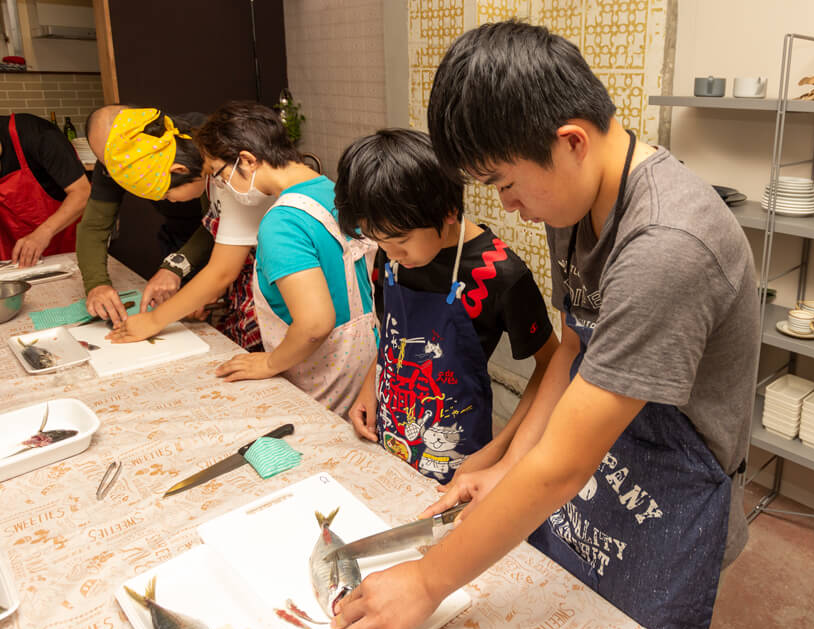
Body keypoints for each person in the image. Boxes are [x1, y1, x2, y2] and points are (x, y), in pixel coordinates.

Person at [332, 21, 759, 629]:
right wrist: (506, 465)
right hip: (596, 450)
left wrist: (426, 581)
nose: (507, 207)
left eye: (505, 183)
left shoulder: (668, 246)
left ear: (570, 143)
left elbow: (562, 465)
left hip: (667, 483)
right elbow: (571, 351)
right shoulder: (576, 204)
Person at [334, 129, 557, 485]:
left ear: (449, 210)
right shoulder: (392, 258)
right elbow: (392, 338)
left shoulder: (500, 273)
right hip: (390, 437)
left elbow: (553, 364)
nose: (390, 254)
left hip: (460, 460)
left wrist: (501, 448)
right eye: (379, 241)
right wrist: (369, 385)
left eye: (401, 241)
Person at [195, 101, 378, 414]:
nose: (223, 186)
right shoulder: (330, 189)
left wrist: (269, 362)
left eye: (220, 174)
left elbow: (314, 324)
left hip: (323, 372)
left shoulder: (282, 223)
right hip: (364, 361)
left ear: (248, 160)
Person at [87, 106, 273, 350]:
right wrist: (193, 288)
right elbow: (220, 240)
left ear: (179, 170)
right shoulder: (212, 176)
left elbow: (222, 270)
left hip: (270, 284)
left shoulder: (228, 178)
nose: (167, 202)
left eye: (165, 195)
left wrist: (155, 319)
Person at [0, 113, 91, 266]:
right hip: (13, 250)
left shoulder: (39, 135)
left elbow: (82, 193)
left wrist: (42, 234)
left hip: (64, 241)